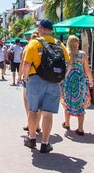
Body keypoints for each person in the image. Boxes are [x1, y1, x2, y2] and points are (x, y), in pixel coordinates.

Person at [21, 19, 69, 153]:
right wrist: (61, 78)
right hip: (54, 81)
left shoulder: (34, 43)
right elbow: (69, 63)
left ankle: (31, 139)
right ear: (51, 30)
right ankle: (45, 143)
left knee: (33, 111)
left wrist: (26, 78)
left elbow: (26, 64)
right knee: (47, 113)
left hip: (35, 80)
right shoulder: (60, 44)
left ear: (41, 28)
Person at [60, 35, 92, 135]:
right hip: (80, 82)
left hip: (68, 82)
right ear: (77, 43)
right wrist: (91, 80)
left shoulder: (66, 54)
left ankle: (67, 124)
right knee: (80, 105)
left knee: (67, 103)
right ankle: (80, 129)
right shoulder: (83, 55)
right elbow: (87, 70)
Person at [21, 33, 41, 133]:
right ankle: (37, 125)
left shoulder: (28, 48)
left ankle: (30, 124)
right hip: (43, 77)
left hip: (30, 77)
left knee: (27, 101)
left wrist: (22, 77)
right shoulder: (44, 47)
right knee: (40, 103)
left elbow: (24, 63)